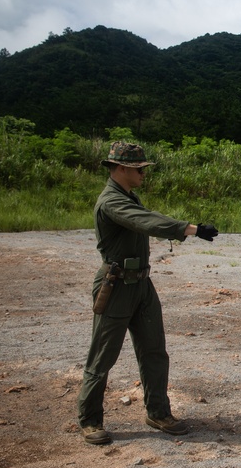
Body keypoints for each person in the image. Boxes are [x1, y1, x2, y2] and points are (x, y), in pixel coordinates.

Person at [78, 141, 219, 445]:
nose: (144, 173)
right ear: (120, 168)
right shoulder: (111, 202)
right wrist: (191, 229)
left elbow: (147, 216)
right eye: (139, 168)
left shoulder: (130, 196)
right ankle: (90, 419)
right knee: (102, 356)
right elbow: (146, 221)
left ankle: (158, 412)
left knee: (154, 351)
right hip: (116, 286)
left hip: (141, 284)